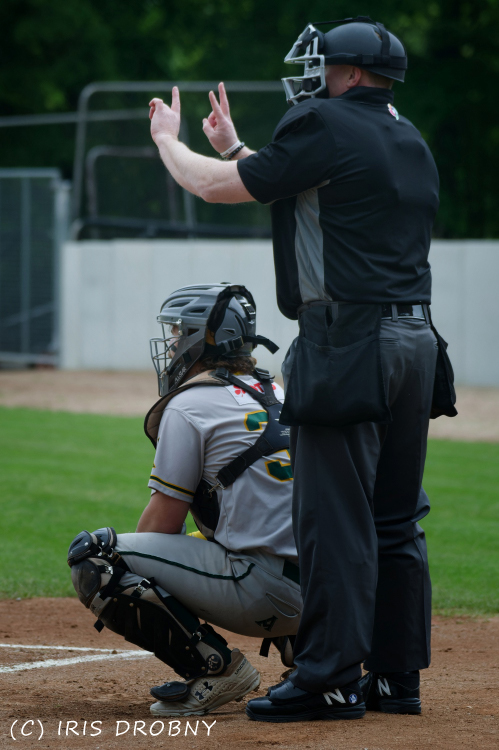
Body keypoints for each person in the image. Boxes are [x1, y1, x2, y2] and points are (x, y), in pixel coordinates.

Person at [147, 16, 457, 722]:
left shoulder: (321, 120)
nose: (311, 76)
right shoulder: (405, 135)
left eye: (323, 65)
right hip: (414, 342)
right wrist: (238, 149)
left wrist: (171, 142)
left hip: (347, 342)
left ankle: (328, 679)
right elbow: (311, 186)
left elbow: (215, 188)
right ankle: (394, 680)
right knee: (395, 520)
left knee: (333, 521)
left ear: (350, 73)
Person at [67, 282, 301, 717]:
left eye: (178, 333)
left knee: (97, 556)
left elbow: (162, 524)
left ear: (201, 339)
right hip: (327, 595)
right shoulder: (282, 394)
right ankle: (311, 655)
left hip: (264, 594)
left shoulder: (190, 405)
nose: (172, 344)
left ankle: (216, 669)